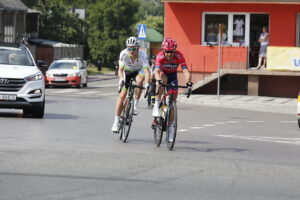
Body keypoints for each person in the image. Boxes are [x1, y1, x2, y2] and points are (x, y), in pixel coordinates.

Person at [152, 38, 193, 140]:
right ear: (163, 51)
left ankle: (170, 128)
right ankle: (157, 103)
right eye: (167, 52)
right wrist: (158, 80)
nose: (169, 54)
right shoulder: (160, 56)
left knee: (172, 101)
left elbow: (186, 71)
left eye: (171, 52)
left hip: (173, 76)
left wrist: (188, 82)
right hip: (162, 74)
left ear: (174, 51)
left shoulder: (179, 55)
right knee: (163, 79)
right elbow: (156, 71)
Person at [111, 36, 150, 132]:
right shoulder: (123, 54)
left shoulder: (143, 54)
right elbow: (120, 70)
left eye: (134, 49)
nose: (131, 51)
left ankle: (136, 103)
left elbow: (147, 71)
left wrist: (147, 83)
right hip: (127, 72)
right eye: (129, 48)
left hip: (138, 71)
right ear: (127, 48)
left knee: (140, 80)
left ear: (138, 48)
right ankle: (115, 122)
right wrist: (121, 79)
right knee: (122, 96)